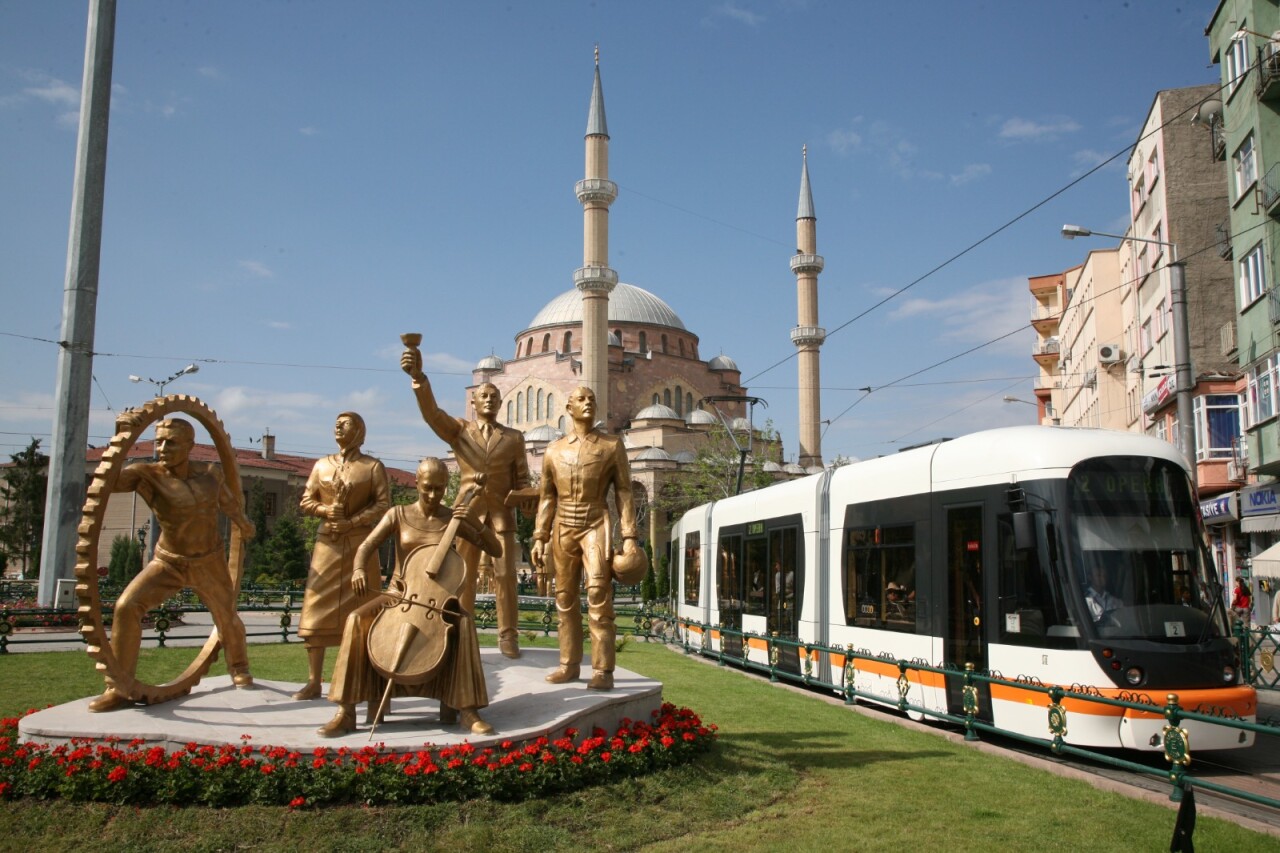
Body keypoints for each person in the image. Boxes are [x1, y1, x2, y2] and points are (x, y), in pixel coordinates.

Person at [318, 458, 500, 737]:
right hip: (398, 594)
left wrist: (475, 523)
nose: (433, 495)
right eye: (427, 487)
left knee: (464, 623)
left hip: (436, 601)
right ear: (416, 483)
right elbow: (366, 545)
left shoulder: (453, 519)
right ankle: (346, 711)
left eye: (439, 489)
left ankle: (468, 710)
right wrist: (358, 569)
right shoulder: (398, 514)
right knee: (355, 619)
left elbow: (496, 550)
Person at [89, 418, 254, 712]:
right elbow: (108, 483)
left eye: (172, 442)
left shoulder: (210, 474)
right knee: (126, 606)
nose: (163, 448)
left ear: (190, 446)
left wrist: (242, 522)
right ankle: (119, 687)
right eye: (159, 441)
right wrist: (120, 439)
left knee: (226, 616)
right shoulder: (146, 474)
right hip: (169, 562)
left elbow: (228, 502)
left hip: (209, 560)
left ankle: (239, 666)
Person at [402, 342, 530, 659]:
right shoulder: (460, 431)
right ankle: (459, 630)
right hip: (466, 514)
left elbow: (523, 480)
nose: (489, 400)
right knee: (463, 575)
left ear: (501, 403)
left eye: (494, 397)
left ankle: (508, 636)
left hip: (501, 515)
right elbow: (433, 415)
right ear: (474, 401)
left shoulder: (514, 438)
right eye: (483, 395)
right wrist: (419, 379)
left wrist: (528, 499)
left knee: (505, 576)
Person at [530, 386, 640, 691]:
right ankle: (568, 664)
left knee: (598, 596)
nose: (588, 403)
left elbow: (624, 491)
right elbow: (546, 497)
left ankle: (603, 670)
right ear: (569, 408)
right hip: (562, 526)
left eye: (592, 399)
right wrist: (539, 536)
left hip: (595, 523)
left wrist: (629, 536)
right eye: (581, 399)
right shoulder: (553, 450)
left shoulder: (611, 445)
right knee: (564, 599)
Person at [294, 412, 391, 700]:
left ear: (359, 431)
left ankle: (363, 679)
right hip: (328, 544)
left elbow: (383, 503)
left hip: (361, 546)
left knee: (364, 608)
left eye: (346, 423)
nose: (338, 426)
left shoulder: (372, 467)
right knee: (316, 605)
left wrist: (354, 521)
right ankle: (314, 681)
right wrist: (325, 510)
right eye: (337, 422)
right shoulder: (322, 465)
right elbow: (306, 500)